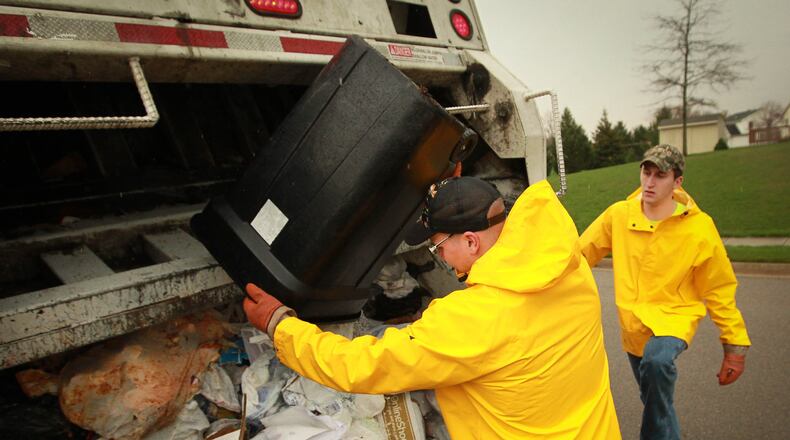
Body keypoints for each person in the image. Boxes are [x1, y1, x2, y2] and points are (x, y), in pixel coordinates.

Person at [244, 176, 621, 438]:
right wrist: (450, 189)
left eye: (438, 248)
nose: (439, 259)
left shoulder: (475, 318)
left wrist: (280, 325)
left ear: (472, 242)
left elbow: (364, 366)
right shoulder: (570, 271)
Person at [578, 144, 751, 440]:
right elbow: (580, 255)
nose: (649, 182)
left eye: (660, 175)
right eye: (646, 172)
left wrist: (734, 348)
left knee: (657, 363)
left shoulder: (699, 228)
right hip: (633, 328)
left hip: (674, 318)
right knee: (657, 403)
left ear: (678, 182)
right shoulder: (619, 215)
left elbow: (719, 288)